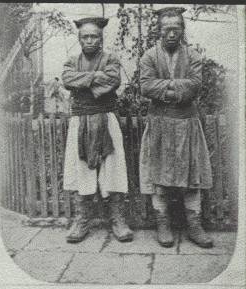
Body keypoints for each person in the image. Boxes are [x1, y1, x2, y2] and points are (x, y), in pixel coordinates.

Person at [139, 7, 213, 248]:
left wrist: (166, 88)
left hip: (187, 123)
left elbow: (194, 87)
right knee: (158, 175)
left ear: (182, 30)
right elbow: (146, 87)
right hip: (159, 123)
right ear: (159, 31)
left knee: (193, 174)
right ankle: (163, 222)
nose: (171, 34)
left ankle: (194, 224)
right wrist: (176, 88)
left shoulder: (193, 56)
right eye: (166, 29)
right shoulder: (149, 56)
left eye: (176, 28)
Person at [62, 17, 133, 244]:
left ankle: (118, 220)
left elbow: (112, 81)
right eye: (86, 37)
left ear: (101, 39)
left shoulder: (110, 59)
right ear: (79, 39)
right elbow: (66, 79)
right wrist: (94, 77)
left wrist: (84, 83)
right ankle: (82, 221)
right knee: (81, 168)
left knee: (113, 167)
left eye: (94, 36)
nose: (90, 41)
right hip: (80, 120)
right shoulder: (72, 60)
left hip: (106, 118)